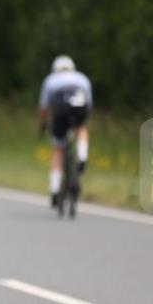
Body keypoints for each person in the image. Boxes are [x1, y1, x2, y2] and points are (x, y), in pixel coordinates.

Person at [38, 55, 92, 207]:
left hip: (61, 110)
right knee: (81, 128)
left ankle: (55, 190)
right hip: (80, 107)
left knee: (58, 149)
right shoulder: (82, 78)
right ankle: (82, 155)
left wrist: (43, 124)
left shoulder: (50, 80)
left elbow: (44, 108)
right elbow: (89, 104)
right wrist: (83, 121)